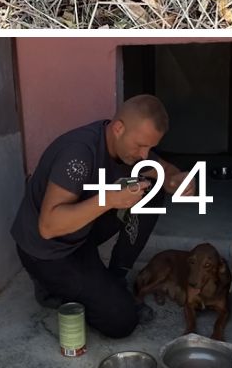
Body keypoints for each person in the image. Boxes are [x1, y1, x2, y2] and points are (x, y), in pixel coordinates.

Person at [11, 94, 197, 339]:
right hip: (48, 251)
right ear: (118, 128)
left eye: (150, 147)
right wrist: (109, 200)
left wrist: (175, 179)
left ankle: (115, 277)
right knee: (121, 321)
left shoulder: (127, 148)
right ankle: (51, 288)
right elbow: (48, 226)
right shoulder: (78, 154)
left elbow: (161, 169)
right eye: (140, 145)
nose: (144, 154)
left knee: (151, 189)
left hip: (81, 233)